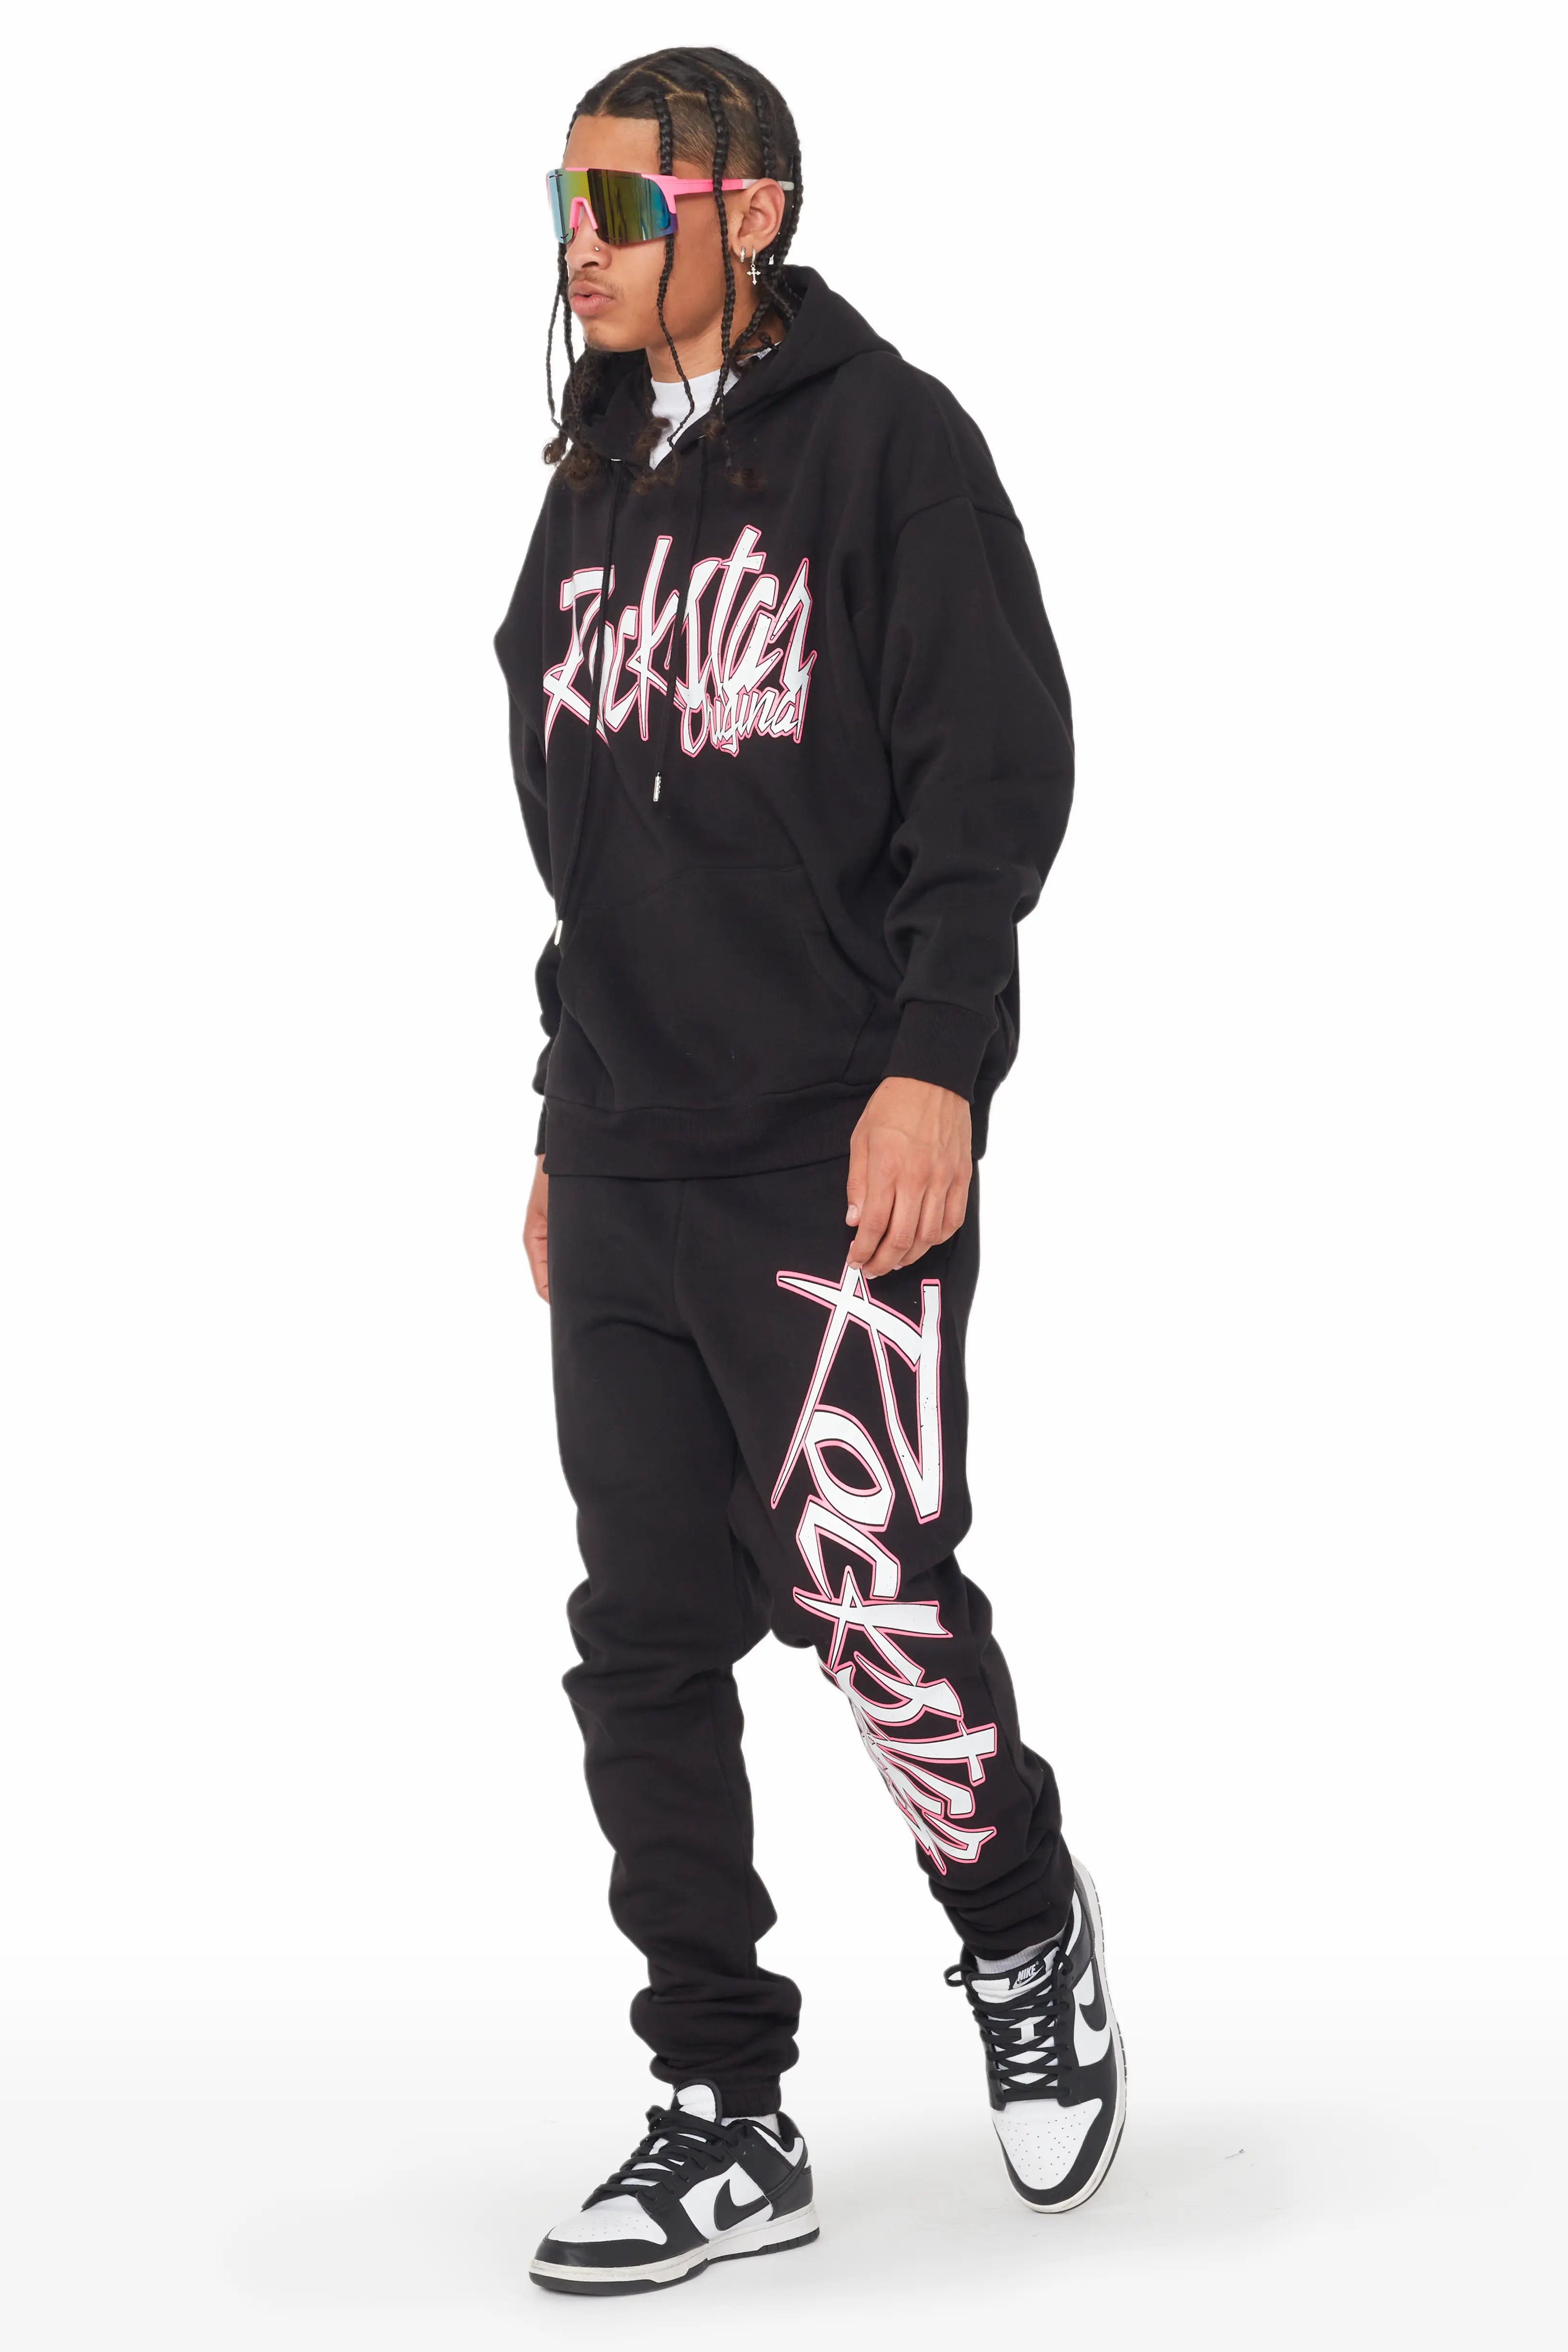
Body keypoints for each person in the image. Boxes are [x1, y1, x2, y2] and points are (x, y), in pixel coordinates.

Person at [495, 45, 1125, 2297]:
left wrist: (935, 1063)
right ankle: (720, 2105)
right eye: (560, 203)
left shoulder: (889, 449)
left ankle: (1015, 1921)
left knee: (869, 1591)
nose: (576, 245)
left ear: (744, 211)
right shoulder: (585, 482)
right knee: (643, 1634)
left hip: (831, 1145)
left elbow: (991, 770)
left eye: (619, 203)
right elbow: (580, 831)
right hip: (631, 1149)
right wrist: (561, 1105)